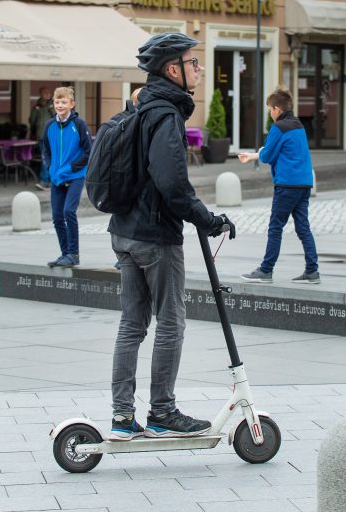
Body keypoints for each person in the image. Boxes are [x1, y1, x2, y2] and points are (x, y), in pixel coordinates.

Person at [107, 32, 235, 441]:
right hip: (155, 237)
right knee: (171, 323)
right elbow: (172, 183)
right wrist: (207, 220)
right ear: (172, 69)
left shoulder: (142, 106)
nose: (198, 68)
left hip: (123, 232)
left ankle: (122, 417)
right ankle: (162, 410)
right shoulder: (166, 115)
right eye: (192, 62)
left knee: (131, 325)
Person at [238, 87, 319, 285]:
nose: (270, 113)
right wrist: (254, 155)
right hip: (304, 184)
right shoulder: (298, 126)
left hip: (287, 185)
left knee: (275, 228)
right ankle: (312, 271)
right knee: (303, 228)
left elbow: (268, 156)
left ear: (276, 109)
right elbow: (282, 152)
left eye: (270, 109)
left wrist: (257, 154)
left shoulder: (279, 127)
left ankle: (266, 270)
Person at [40, 86, 91, 268]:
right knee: (56, 217)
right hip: (57, 178)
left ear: (72, 104)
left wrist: (71, 167)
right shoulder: (49, 125)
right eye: (57, 102)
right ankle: (64, 254)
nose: (60, 105)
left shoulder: (79, 125)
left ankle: (74, 253)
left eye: (63, 102)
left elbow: (88, 152)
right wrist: (51, 168)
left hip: (76, 175)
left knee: (69, 212)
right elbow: (45, 149)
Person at [30, 87, 55, 190]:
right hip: (41, 136)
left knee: (46, 157)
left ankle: (45, 180)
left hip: (52, 136)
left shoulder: (54, 105)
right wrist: (35, 111)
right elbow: (32, 121)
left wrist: (51, 108)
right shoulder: (37, 107)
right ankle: (48, 180)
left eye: (49, 92)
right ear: (40, 94)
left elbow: (58, 117)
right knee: (46, 157)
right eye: (45, 92)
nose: (47, 94)